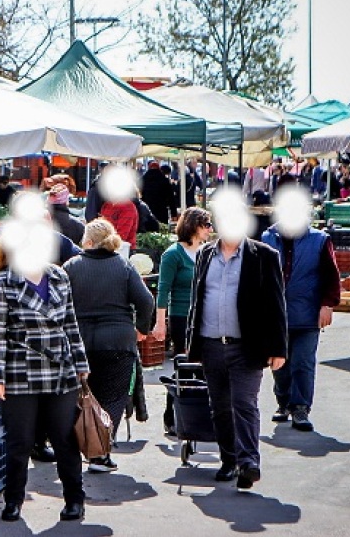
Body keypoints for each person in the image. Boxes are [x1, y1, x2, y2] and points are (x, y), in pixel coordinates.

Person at [0, 242, 89, 523]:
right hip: (20, 373)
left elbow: (71, 324)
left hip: (61, 372)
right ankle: (13, 501)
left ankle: (74, 499)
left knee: (64, 439)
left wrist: (81, 365)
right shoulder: (3, 282)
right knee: (19, 442)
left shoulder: (59, 276)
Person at [186, 217, 288, 490]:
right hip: (211, 344)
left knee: (244, 403)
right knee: (219, 406)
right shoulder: (206, 254)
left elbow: (276, 303)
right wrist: (190, 341)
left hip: (247, 345)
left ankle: (248, 463)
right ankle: (229, 460)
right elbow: (197, 299)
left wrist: (279, 348)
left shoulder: (264, 255)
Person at [63, 219, 155, 473]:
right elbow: (146, 301)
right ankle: (100, 453)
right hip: (117, 342)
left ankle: (76, 450)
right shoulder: (123, 266)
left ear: (88, 241)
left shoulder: (71, 267)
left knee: (79, 398)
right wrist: (141, 330)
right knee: (113, 397)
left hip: (78, 343)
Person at [261, 208, 342, 432]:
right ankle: (283, 402)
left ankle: (300, 407)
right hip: (276, 315)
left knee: (303, 363)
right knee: (278, 363)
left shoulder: (319, 240)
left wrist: (327, 304)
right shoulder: (268, 238)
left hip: (307, 313)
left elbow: (331, 275)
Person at [157, 207, 212, 433]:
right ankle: (172, 415)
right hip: (181, 316)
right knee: (184, 365)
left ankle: (197, 414)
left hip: (205, 316)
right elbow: (163, 291)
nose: (210, 229)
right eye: (207, 225)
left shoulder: (208, 251)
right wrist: (161, 324)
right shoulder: (173, 254)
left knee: (204, 365)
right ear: (194, 226)